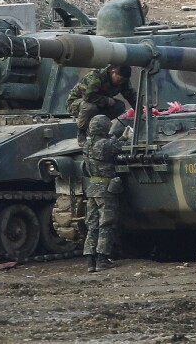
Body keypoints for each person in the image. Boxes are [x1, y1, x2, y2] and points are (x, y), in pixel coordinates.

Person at [82, 115, 126, 273]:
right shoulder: (106, 144)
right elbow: (120, 146)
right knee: (106, 224)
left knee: (92, 225)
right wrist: (124, 135)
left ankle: (90, 261)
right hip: (106, 189)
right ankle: (102, 259)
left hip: (92, 187)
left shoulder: (87, 144)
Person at [67, 64, 137, 145]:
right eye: (120, 79)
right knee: (90, 107)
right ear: (113, 72)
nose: (120, 82)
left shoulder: (122, 81)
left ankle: (99, 129)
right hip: (77, 103)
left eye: (123, 81)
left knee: (120, 106)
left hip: (99, 104)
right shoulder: (95, 77)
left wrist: (140, 111)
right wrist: (106, 100)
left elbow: (130, 95)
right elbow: (88, 96)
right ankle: (82, 133)